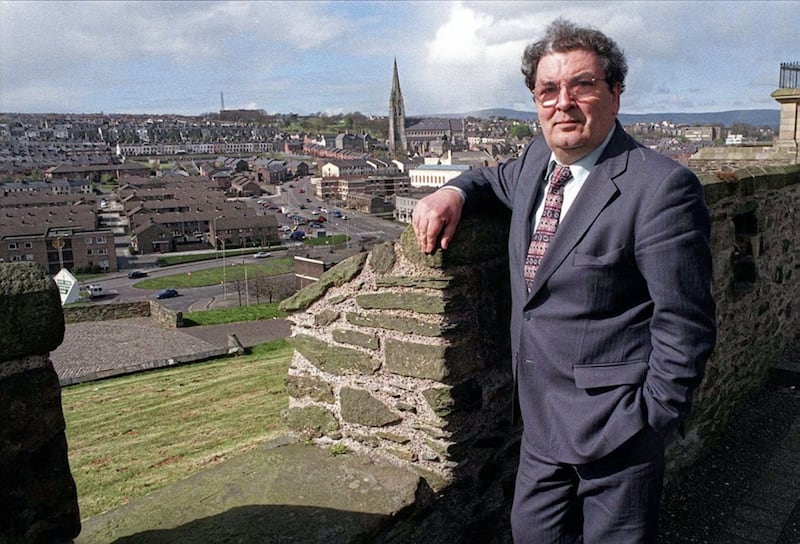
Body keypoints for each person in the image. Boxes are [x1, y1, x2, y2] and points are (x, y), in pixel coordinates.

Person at [412, 18, 716, 544]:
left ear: (616, 93)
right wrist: (453, 194)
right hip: (539, 424)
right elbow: (488, 177)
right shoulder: (536, 160)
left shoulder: (661, 187)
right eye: (547, 90)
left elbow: (685, 325)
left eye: (583, 85)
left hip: (617, 433)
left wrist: (647, 425)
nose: (563, 102)